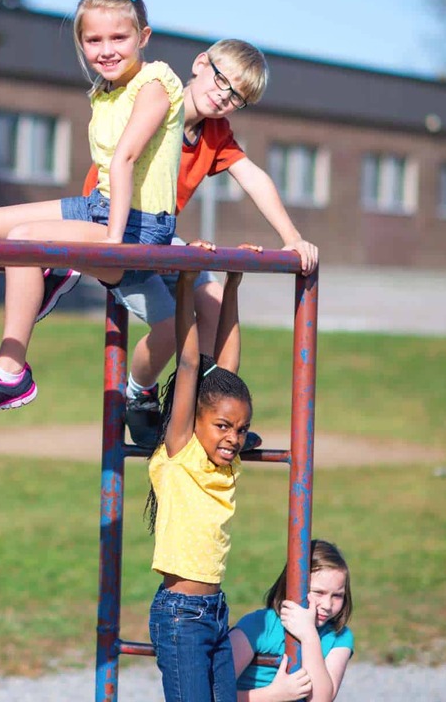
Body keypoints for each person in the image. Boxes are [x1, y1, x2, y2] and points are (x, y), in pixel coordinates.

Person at [38, 40, 319, 450]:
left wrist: (291, 238)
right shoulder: (159, 103)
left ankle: (208, 411)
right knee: (170, 325)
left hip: (161, 235)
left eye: (238, 97)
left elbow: (255, 177)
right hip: (113, 229)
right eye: (222, 80)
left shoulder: (216, 133)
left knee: (215, 303)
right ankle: (140, 392)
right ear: (200, 63)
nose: (225, 96)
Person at [0, 0, 185, 423]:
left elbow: (127, 156)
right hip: (97, 207)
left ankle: (11, 371)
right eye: (94, 40)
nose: (106, 49)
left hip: (136, 227)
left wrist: (110, 241)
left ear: (142, 37)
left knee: (24, 239)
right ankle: (58, 263)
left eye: (119, 37)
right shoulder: (105, 92)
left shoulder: (155, 82)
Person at [145, 253, 251, 702]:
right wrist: (187, 282)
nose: (233, 438)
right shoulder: (181, 452)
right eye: (223, 427)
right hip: (180, 616)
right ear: (196, 422)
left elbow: (227, 367)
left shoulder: (222, 463)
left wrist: (231, 285)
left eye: (241, 429)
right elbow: (190, 365)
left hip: (214, 611)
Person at [230, 540, 354, 702]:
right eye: (318, 592)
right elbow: (211, 694)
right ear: (291, 587)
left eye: (337, 595)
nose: (327, 605)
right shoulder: (259, 626)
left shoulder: (339, 636)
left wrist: (309, 636)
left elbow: (321, 699)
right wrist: (273, 695)